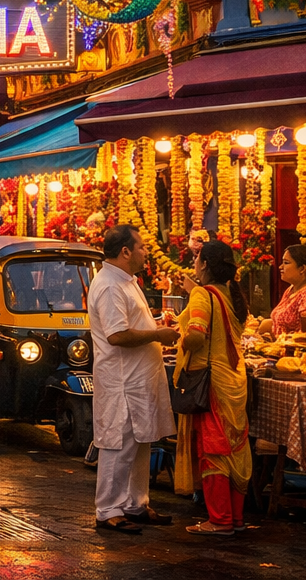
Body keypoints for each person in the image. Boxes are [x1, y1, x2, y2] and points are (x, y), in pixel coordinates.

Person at [88, 224, 178, 534]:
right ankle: (109, 509)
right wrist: (158, 334)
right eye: (141, 247)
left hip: (138, 379)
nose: (146, 252)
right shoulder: (111, 285)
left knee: (140, 441)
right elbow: (116, 335)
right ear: (125, 251)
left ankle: (135, 503)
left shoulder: (126, 281)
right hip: (121, 380)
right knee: (118, 443)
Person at [175, 240, 252, 536]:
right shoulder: (233, 294)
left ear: (204, 264)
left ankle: (219, 520)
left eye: (196, 258)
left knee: (214, 447)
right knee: (235, 447)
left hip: (213, 383)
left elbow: (196, 335)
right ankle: (235, 518)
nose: (194, 264)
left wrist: (179, 340)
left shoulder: (202, 295)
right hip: (235, 377)